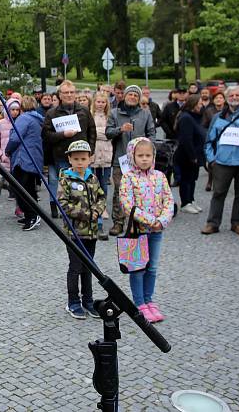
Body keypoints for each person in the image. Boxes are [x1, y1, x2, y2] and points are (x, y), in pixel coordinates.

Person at [119, 137, 174, 323]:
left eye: (148, 155)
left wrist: (162, 220)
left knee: (152, 267)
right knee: (138, 267)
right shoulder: (128, 178)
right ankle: (139, 302)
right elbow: (127, 205)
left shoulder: (160, 176)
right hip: (138, 230)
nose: (144, 159)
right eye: (140, 155)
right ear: (132, 156)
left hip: (157, 230)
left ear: (154, 156)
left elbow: (169, 200)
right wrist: (150, 220)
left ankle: (149, 299)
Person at [200, 86, 239, 236]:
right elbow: (208, 141)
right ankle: (212, 223)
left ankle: (237, 223)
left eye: (238, 95)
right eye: (231, 95)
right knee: (218, 193)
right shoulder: (218, 117)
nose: (234, 97)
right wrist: (212, 159)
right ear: (227, 99)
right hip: (222, 162)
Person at [58, 140, 105, 319]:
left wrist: (97, 211)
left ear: (89, 159)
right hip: (74, 232)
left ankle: (88, 300)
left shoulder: (92, 178)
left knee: (89, 267)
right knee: (76, 267)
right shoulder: (66, 179)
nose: (79, 162)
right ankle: (73, 302)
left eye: (83, 159)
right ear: (69, 159)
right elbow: (63, 204)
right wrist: (86, 214)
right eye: (76, 158)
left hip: (91, 232)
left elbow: (101, 196)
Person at [105, 85, 155, 235]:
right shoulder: (114, 113)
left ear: (139, 98)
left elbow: (152, 133)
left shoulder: (145, 114)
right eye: (130, 94)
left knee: (140, 191)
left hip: (141, 161)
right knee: (120, 191)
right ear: (124, 96)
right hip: (120, 160)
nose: (132, 97)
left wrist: (147, 149)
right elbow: (108, 133)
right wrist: (120, 129)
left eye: (135, 95)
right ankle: (118, 223)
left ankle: (137, 221)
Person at [42, 80, 97, 219]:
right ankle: (63, 209)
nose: (69, 95)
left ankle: (80, 209)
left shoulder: (84, 110)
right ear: (60, 95)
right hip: (61, 155)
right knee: (63, 184)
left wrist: (90, 150)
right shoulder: (52, 113)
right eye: (66, 92)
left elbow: (92, 130)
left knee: (81, 183)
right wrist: (63, 134)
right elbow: (45, 135)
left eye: (72, 92)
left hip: (81, 155)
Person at [5, 96, 44, 231]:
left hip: (23, 159)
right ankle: (30, 215)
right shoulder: (37, 118)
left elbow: (16, 137)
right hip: (34, 158)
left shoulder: (24, 118)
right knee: (30, 189)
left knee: (21, 189)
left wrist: (8, 150)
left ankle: (32, 215)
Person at [0, 98, 20, 222]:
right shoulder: (1, 123)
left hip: (17, 161)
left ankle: (18, 208)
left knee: (18, 186)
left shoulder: (21, 122)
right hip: (4, 160)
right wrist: (0, 155)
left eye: (17, 110)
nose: (15, 112)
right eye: (12, 109)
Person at [174, 95, 206, 213]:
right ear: (193, 104)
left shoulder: (194, 117)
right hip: (186, 155)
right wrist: (192, 156)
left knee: (192, 179)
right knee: (186, 179)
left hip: (195, 154)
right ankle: (185, 203)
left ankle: (191, 200)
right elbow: (186, 139)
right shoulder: (186, 118)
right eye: (199, 103)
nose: (201, 105)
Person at [91, 91, 112, 239]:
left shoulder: (109, 117)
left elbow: (110, 132)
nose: (100, 104)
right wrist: (102, 133)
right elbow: (91, 132)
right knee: (94, 184)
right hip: (93, 153)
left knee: (104, 184)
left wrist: (102, 133)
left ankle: (103, 207)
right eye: (98, 101)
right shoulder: (90, 116)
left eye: (103, 102)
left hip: (107, 153)